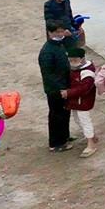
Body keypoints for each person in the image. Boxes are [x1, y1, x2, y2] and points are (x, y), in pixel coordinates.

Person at [39, 22, 73, 152]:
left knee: (65, 113)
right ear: (50, 33)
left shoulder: (59, 45)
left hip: (64, 85)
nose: (60, 34)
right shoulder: (47, 51)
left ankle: (65, 136)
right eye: (57, 32)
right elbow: (48, 74)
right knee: (56, 115)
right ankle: (56, 143)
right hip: (55, 89)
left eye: (61, 31)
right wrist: (60, 88)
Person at [63, 46, 98, 158]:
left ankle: (90, 144)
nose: (72, 62)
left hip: (83, 101)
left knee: (85, 120)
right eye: (70, 60)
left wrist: (68, 93)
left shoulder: (87, 73)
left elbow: (84, 89)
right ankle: (92, 136)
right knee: (78, 120)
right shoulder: (74, 69)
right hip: (75, 100)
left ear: (82, 59)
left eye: (75, 60)